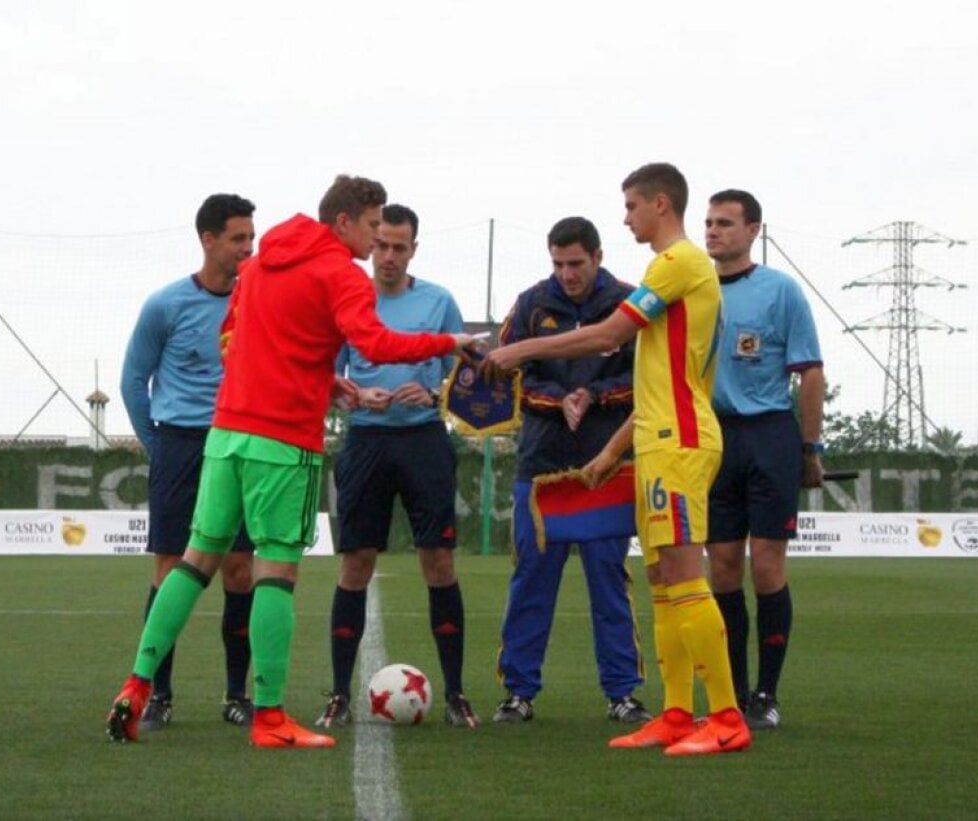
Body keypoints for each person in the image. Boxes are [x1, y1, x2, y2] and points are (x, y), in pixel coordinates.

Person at [106, 175, 475, 748]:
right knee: (275, 571)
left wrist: (322, 378)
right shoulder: (337, 272)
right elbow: (375, 343)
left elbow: (235, 338)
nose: (378, 240)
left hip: (225, 433)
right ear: (345, 223)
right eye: (374, 226)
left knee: (193, 560)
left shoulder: (263, 261)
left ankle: (136, 685)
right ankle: (271, 718)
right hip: (282, 441)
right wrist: (449, 342)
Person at [483, 163, 750, 756]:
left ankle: (727, 717)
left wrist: (522, 349)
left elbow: (607, 338)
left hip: (681, 441)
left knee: (684, 576)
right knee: (660, 581)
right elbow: (655, 380)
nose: (626, 215)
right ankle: (678, 714)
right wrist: (609, 451)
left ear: (660, 203)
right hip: (654, 441)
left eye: (631, 205)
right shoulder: (665, 269)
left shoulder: (677, 262)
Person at [316, 203, 478, 730]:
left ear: (414, 249)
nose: (387, 256)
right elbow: (325, 377)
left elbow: (468, 374)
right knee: (355, 563)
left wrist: (432, 390)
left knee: (439, 562)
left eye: (399, 247)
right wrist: (356, 395)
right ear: (371, 243)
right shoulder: (346, 298)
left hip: (424, 441)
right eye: (380, 244)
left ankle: (455, 694)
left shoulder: (439, 301)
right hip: (365, 442)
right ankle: (339, 694)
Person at [491, 216, 650, 726]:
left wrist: (596, 394)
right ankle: (518, 692)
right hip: (541, 466)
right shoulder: (531, 303)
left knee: (609, 578)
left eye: (576, 263)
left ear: (598, 257)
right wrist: (560, 398)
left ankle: (622, 693)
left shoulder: (630, 302)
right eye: (558, 263)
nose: (567, 274)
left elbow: (649, 375)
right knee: (531, 579)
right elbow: (509, 371)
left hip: (607, 464)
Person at [120, 193, 258, 731]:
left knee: (241, 571)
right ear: (208, 240)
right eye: (238, 238)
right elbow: (134, 379)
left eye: (252, 236)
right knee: (170, 567)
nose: (248, 247)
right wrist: (157, 448)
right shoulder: (166, 304)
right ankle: (158, 696)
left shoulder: (256, 300)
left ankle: (236, 695)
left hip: (239, 442)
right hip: (179, 444)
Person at [703, 189, 824, 730]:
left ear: (753, 230)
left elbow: (811, 372)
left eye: (725, 223)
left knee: (768, 564)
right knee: (722, 567)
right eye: (708, 222)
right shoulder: (692, 286)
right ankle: (730, 694)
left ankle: (766, 695)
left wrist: (809, 448)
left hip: (770, 435)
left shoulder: (781, 291)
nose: (713, 231)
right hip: (712, 438)